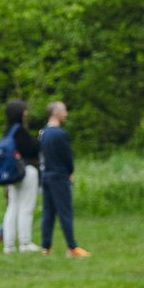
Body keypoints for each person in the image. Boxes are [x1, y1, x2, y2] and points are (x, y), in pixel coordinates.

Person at [39, 102, 90, 257]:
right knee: (65, 212)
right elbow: (67, 157)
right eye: (64, 110)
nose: (66, 114)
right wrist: (69, 172)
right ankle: (72, 247)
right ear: (55, 112)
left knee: (48, 213)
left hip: (46, 176)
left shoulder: (43, 133)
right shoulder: (60, 134)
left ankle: (46, 248)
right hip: (59, 176)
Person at [0, 99, 42, 254]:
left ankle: (9, 245)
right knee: (26, 207)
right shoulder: (20, 131)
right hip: (26, 171)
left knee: (12, 207)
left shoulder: (7, 131)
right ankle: (25, 243)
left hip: (12, 174)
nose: (26, 113)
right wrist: (39, 140)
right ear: (20, 113)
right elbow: (31, 149)